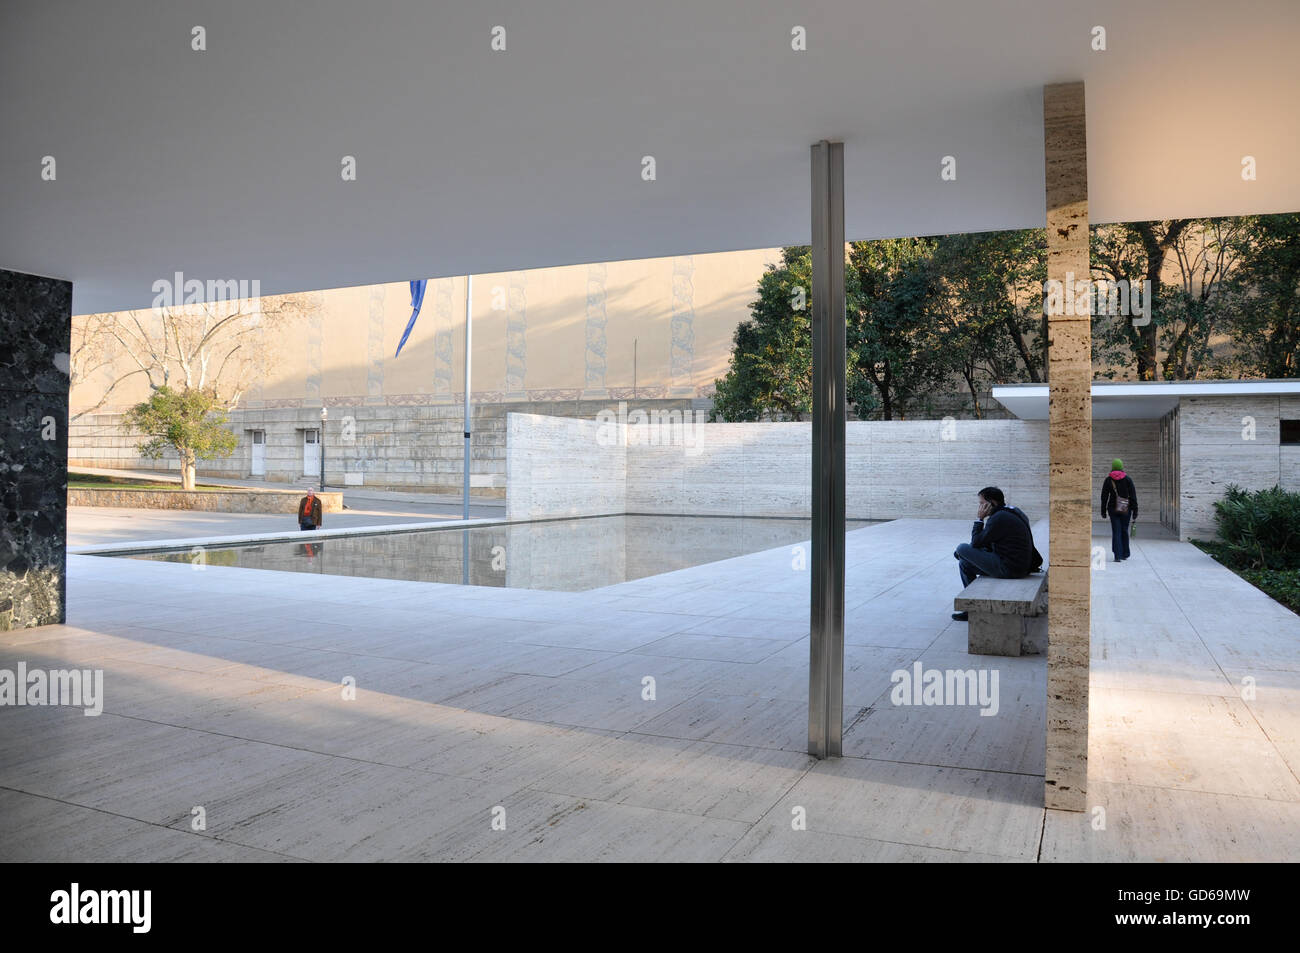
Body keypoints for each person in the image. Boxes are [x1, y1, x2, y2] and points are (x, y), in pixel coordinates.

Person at [952, 486, 1038, 621]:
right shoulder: (1012, 510)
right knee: (965, 563)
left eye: (981, 504)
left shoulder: (998, 518)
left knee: (962, 548)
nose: (980, 507)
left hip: (1010, 569)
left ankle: (974, 608)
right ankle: (972, 608)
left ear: (992, 503)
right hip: (1019, 566)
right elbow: (988, 542)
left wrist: (979, 519)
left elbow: (976, 542)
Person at [1101, 458, 1137, 562]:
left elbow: (1104, 496)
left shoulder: (1108, 480)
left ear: (1112, 467)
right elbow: (1133, 496)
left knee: (1116, 531)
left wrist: (1103, 510)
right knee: (1124, 530)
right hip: (1126, 508)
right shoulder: (1128, 479)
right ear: (1122, 467)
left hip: (1112, 509)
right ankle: (1125, 553)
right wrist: (1135, 510)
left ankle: (1117, 555)